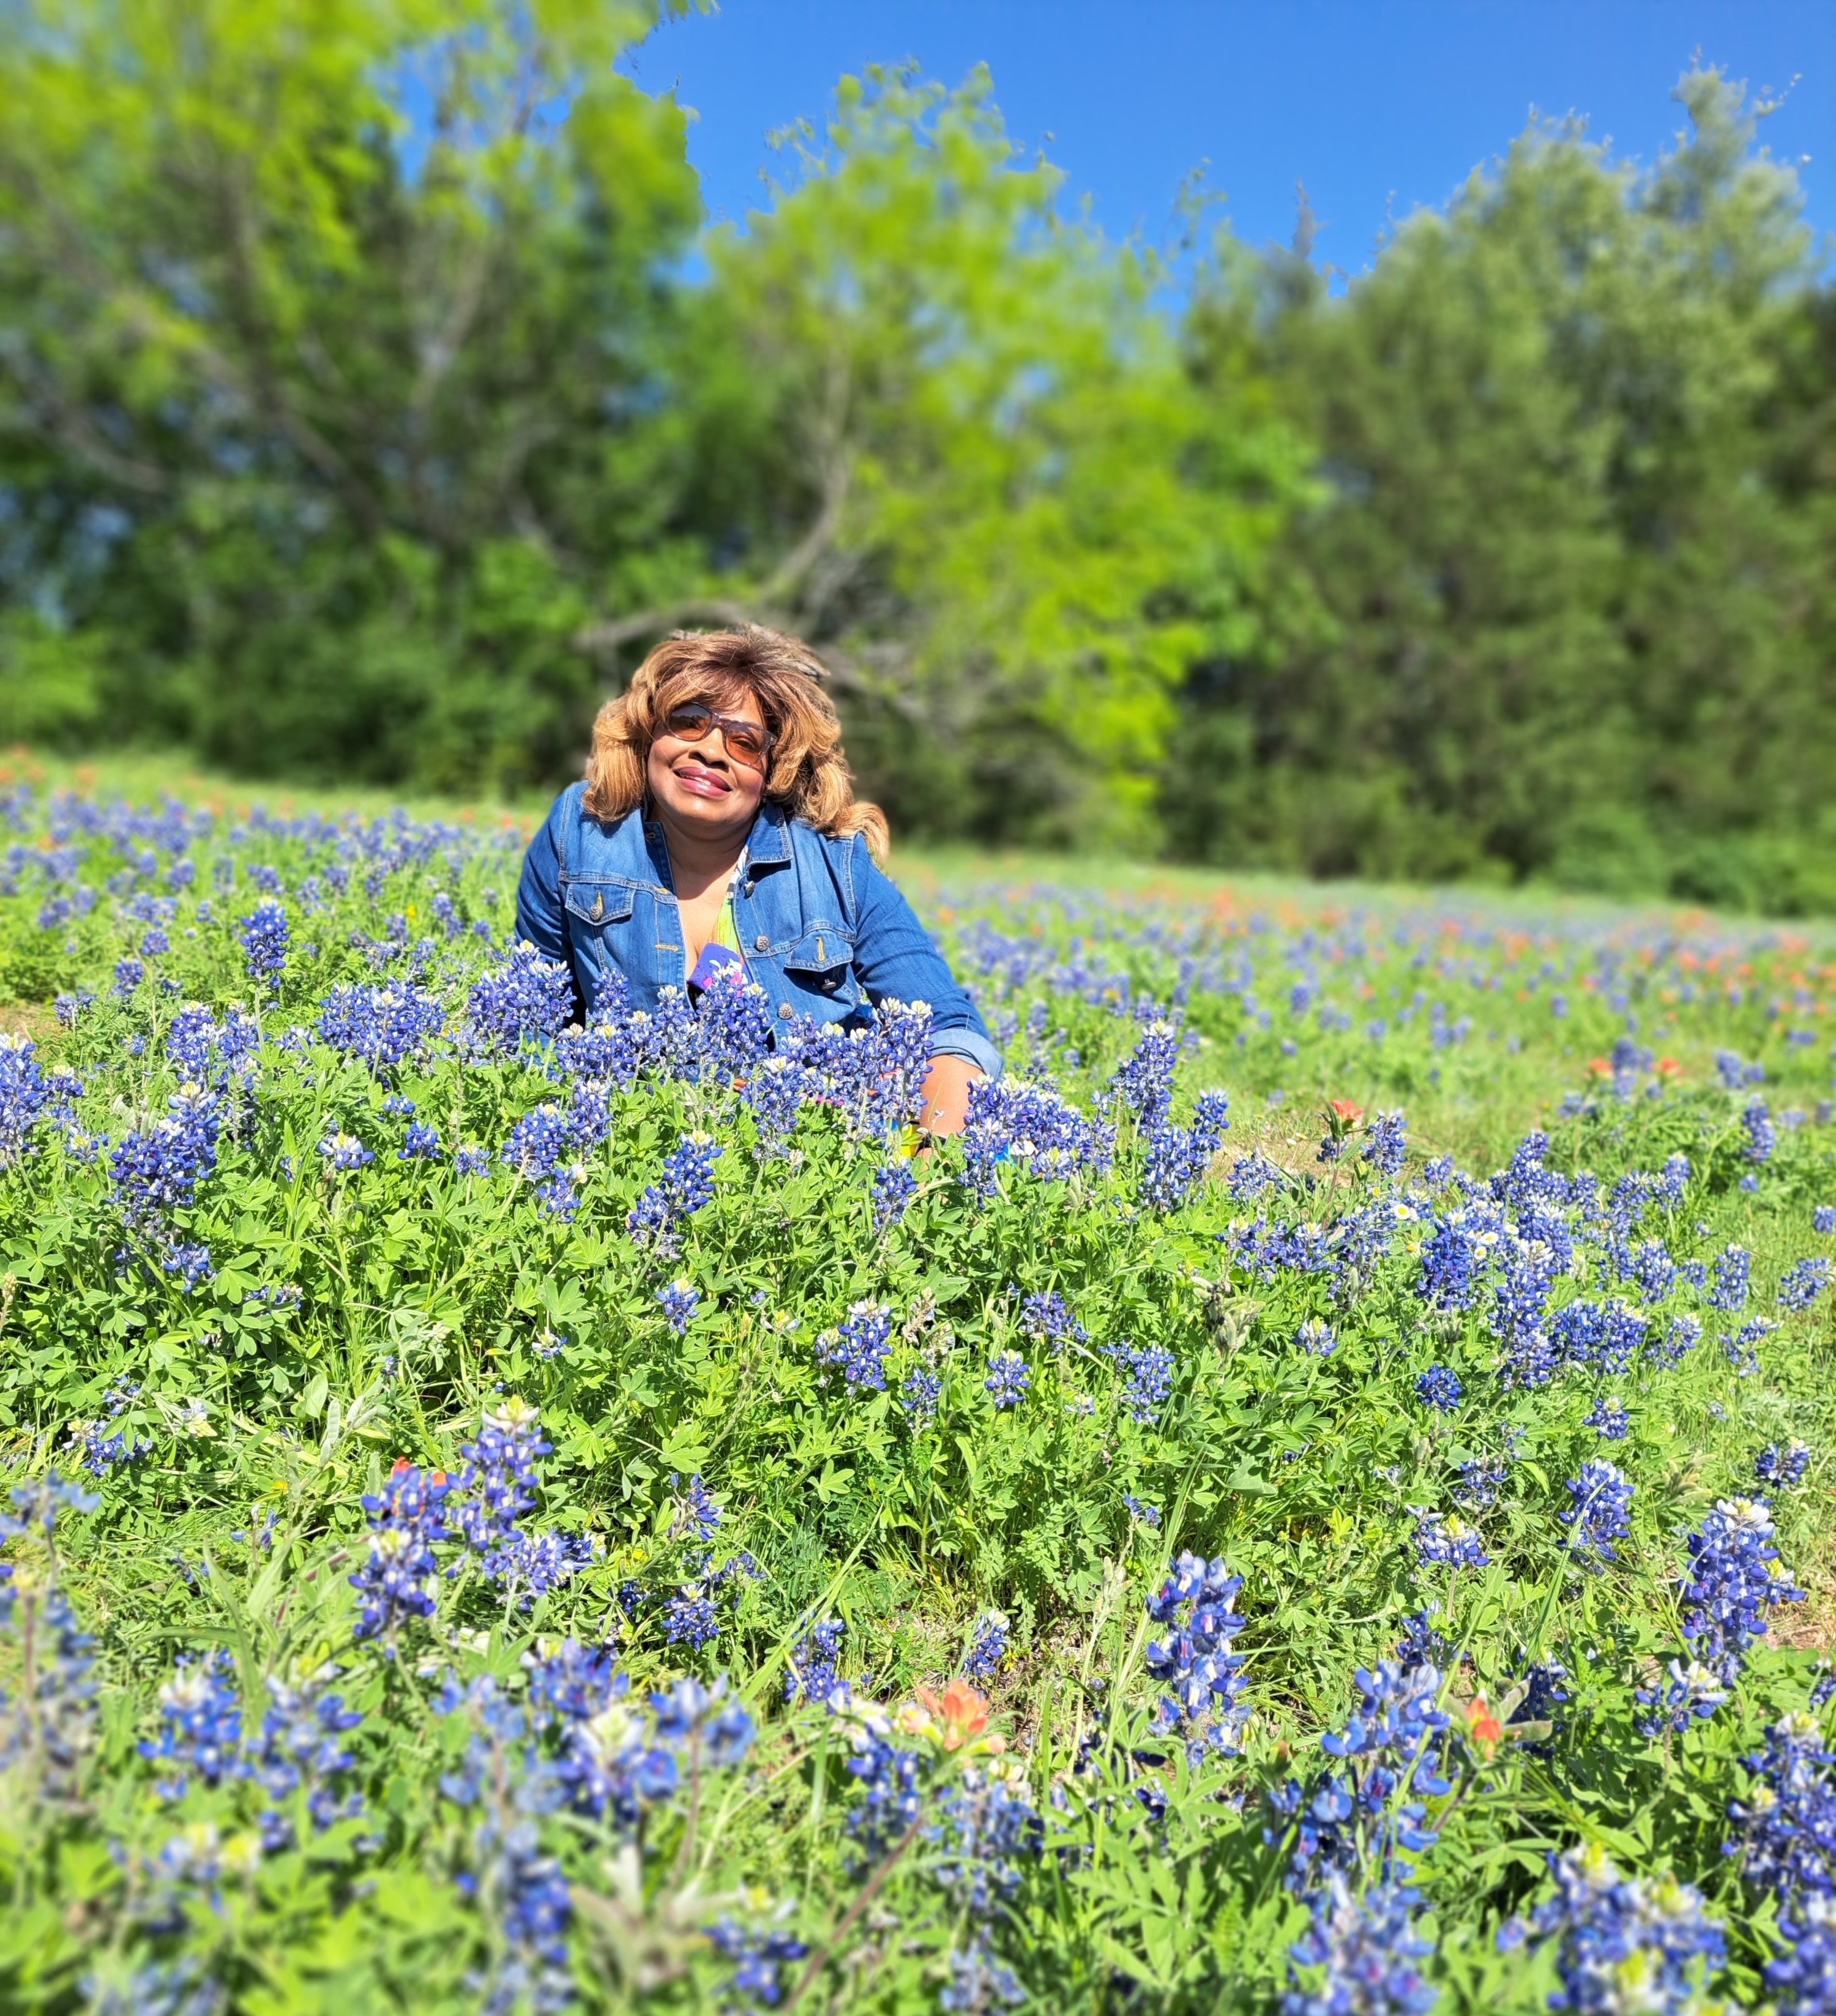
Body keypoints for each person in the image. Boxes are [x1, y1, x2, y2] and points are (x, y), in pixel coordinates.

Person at [514, 624, 1001, 1132]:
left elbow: (947, 1027)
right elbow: (536, 1011)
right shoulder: (581, 829)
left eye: (745, 743)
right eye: (688, 721)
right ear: (648, 731)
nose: (711, 751)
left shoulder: (834, 862)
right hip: (634, 1141)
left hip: (811, 1146)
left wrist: (932, 1163)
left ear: (775, 769)